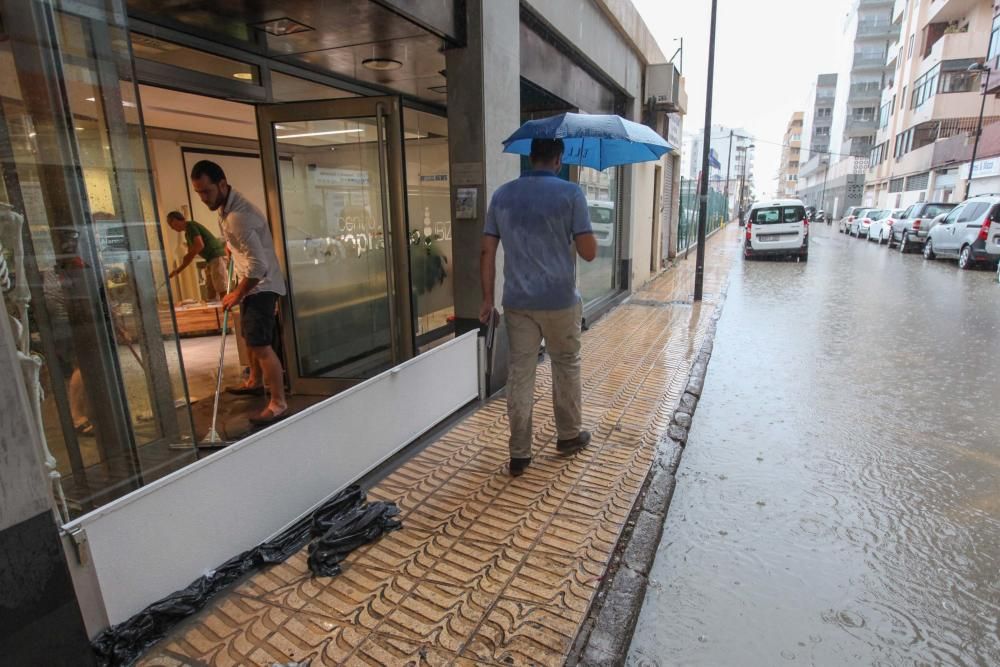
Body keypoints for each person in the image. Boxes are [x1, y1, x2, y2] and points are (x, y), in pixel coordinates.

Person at [479, 138, 597, 477]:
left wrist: (487, 300)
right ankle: (569, 435)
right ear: (558, 160)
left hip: (518, 303)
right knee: (565, 365)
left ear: (531, 158)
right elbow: (588, 252)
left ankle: (519, 454)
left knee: (520, 373)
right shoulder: (572, 194)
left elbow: (487, 251)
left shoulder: (502, 195)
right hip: (560, 301)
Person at [189, 160, 288, 426]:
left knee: (260, 344)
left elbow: (259, 266)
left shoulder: (238, 217)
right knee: (249, 337)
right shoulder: (227, 208)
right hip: (252, 284)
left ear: (222, 184)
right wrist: (232, 248)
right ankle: (255, 381)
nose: (202, 198)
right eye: (198, 193)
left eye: (206, 191)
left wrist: (236, 293)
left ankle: (278, 403)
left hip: (261, 286)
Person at [165, 211, 229, 300]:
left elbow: (199, 245)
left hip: (216, 255)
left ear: (176, 220)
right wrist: (178, 270)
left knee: (220, 285)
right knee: (211, 288)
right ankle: (216, 310)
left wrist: (188, 256)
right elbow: (189, 256)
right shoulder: (187, 234)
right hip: (210, 258)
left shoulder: (191, 226)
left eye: (171, 224)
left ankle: (227, 310)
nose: (172, 228)